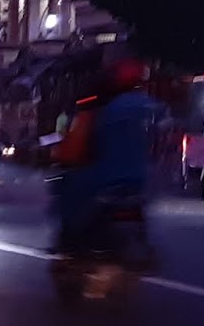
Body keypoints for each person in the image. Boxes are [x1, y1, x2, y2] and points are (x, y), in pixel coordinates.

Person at [52, 59, 155, 256]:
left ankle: (71, 243)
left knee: (66, 188)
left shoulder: (97, 111)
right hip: (138, 181)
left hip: (101, 180)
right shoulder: (149, 107)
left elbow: (73, 151)